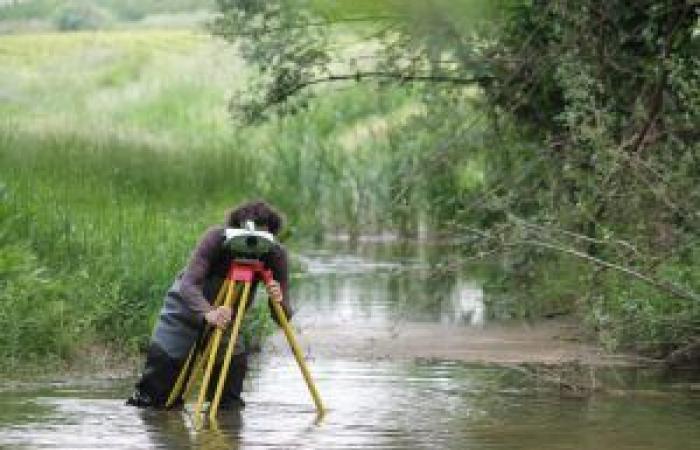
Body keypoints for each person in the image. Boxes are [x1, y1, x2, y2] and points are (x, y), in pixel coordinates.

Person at [126, 200, 293, 410]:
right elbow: (188, 284)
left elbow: (283, 318)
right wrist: (208, 312)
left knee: (228, 403)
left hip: (225, 323)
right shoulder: (216, 239)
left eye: (261, 240)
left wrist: (276, 300)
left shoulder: (275, 253)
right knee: (153, 399)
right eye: (247, 238)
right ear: (235, 230)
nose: (252, 247)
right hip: (184, 313)